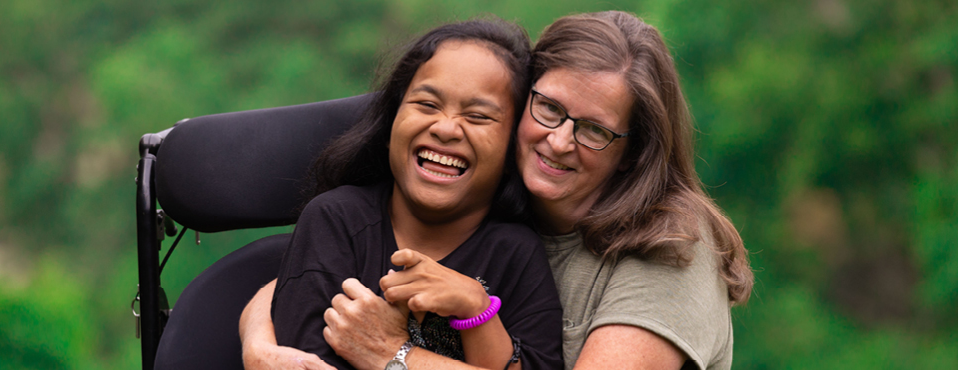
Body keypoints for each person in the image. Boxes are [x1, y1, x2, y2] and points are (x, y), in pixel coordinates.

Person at [241, 10, 753, 370]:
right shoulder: (506, 206)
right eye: (549, 108)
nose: (558, 141)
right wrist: (259, 340)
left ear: (633, 152)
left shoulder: (669, 250)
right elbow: (306, 280)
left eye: (594, 130)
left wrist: (392, 355)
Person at [266, 19, 564, 370]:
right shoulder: (336, 222)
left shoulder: (517, 252)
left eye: (478, 116)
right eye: (426, 104)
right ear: (391, 121)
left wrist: (477, 310)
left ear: (513, 146)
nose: (446, 127)